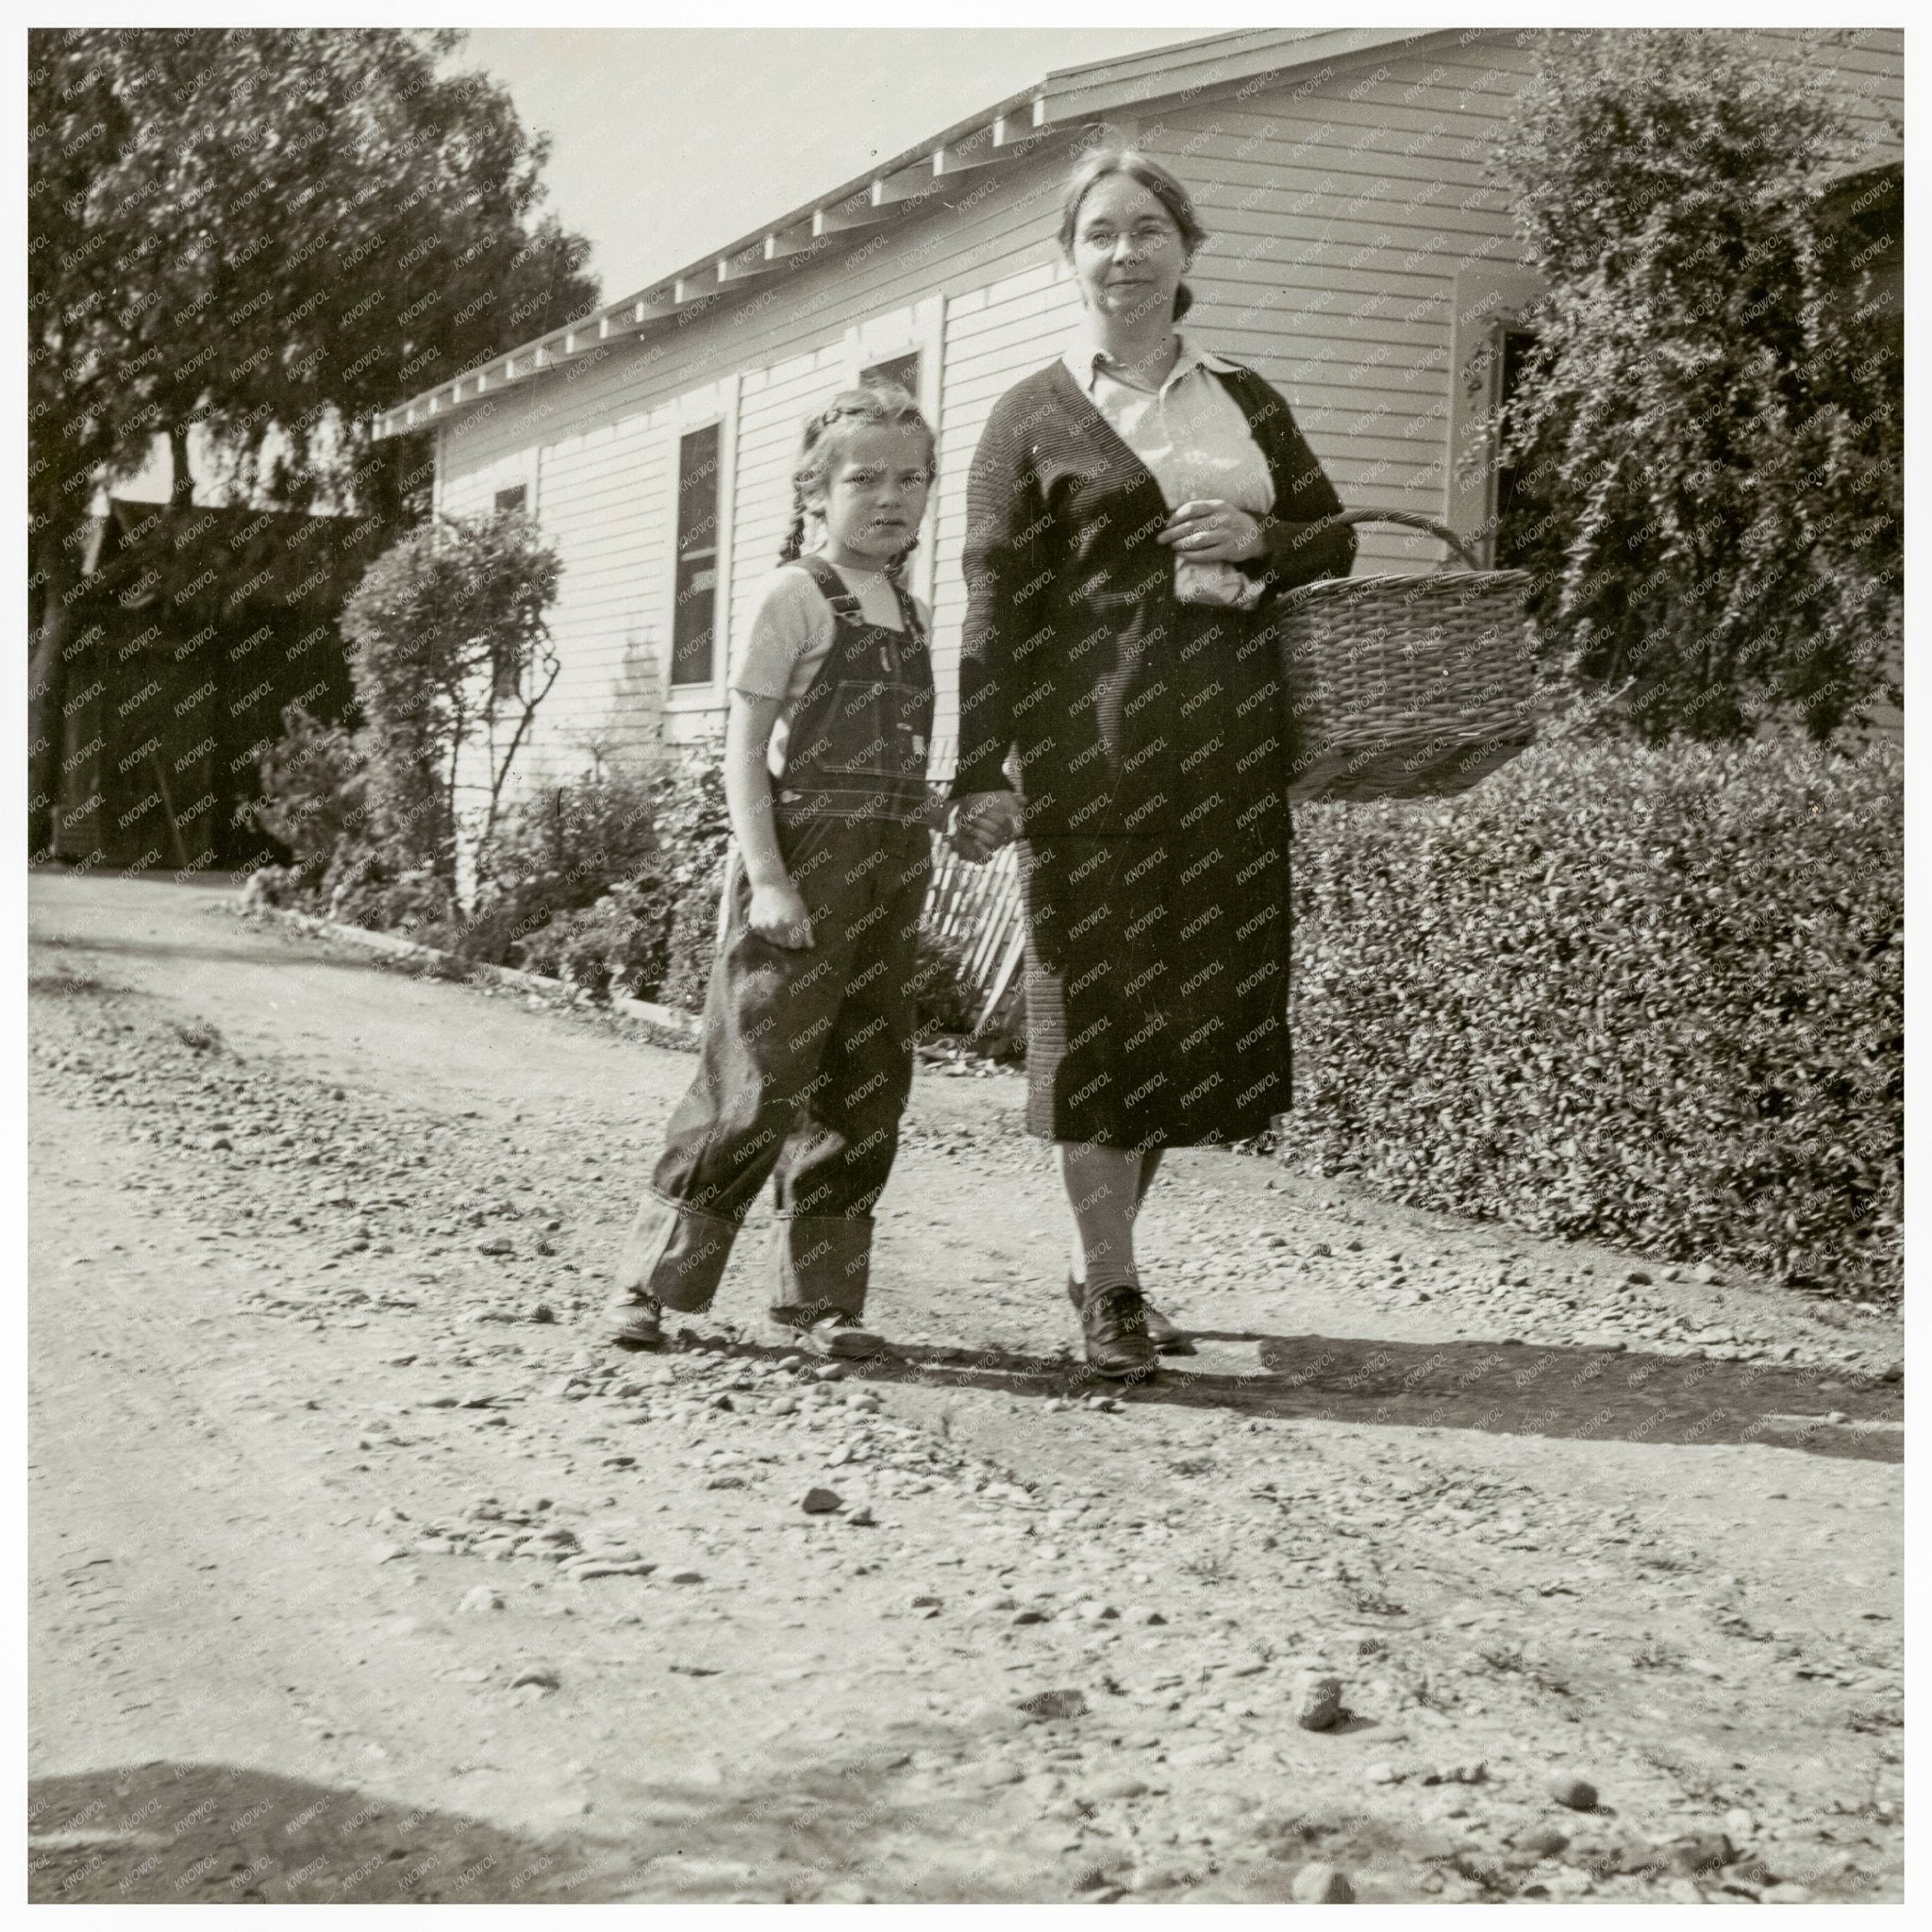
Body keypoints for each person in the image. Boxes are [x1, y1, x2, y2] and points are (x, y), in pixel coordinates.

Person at [947, 147, 1357, 1380]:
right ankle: (1114, 1288)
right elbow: (991, 605)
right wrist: (977, 768)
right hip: (1096, 764)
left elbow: (1334, 538)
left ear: (1187, 250)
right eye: (1099, 234)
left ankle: (1103, 1260)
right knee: (1097, 1026)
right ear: (1069, 260)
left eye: (1147, 231)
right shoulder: (1030, 414)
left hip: (1228, 761)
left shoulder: (1248, 396)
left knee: (1186, 1030)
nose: (1125, 254)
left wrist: (1265, 535)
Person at [608, 382, 942, 1358]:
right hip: (801, 863)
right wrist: (768, 877)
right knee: (753, 1076)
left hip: (888, 871)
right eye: (863, 477)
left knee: (864, 1079)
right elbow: (744, 745)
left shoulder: (913, 612)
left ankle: (823, 1301)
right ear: (814, 491)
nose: (889, 497)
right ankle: (648, 1282)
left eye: (910, 477)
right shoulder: (793, 594)